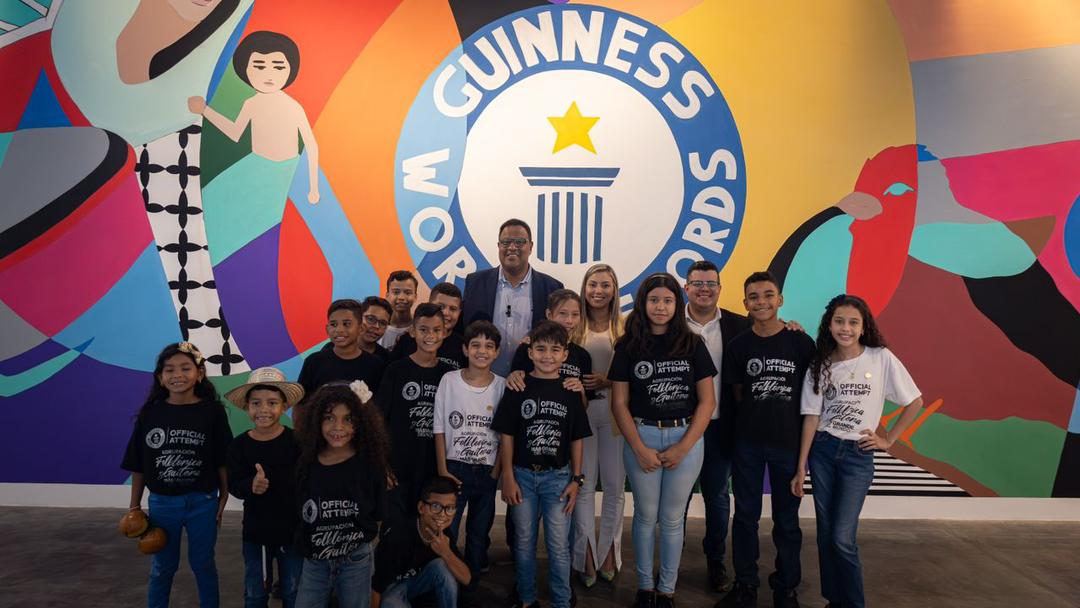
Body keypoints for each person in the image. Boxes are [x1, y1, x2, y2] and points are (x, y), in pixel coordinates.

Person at [791, 294, 923, 608]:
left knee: (842, 537)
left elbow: (914, 401)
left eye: (853, 322)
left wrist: (888, 440)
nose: (845, 328)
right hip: (823, 451)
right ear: (829, 325)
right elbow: (811, 417)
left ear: (864, 327)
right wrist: (800, 467)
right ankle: (834, 600)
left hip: (857, 455)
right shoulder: (820, 364)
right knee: (825, 533)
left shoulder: (880, 358)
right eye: (839, 321)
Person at [609, 273, 716, 608]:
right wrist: (639, 448)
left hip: (686, 437)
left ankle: (667, 589)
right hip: (642, 435)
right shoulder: (627, 345)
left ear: (676, 304)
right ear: (643, 303)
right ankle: (645, 587)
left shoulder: (693, 343)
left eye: (667, 300)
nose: (660, 307)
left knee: (671, 518)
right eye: (654, 300)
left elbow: (707, 402)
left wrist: (684, 447)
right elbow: (619, 403)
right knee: (645, 515)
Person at [718, 272, 816, 608]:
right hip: (747, 444)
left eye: (768, 295)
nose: (762, 302)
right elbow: (737, 394)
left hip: (788, 445)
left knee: (786, 521)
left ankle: (786, 587)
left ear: (780, 300)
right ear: (745, 303)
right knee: (745, 517)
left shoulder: (801, 343)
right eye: (754, 297)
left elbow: (811, 397)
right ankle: (745, 584)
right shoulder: (738, 346)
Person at [121, 342, 232, 608]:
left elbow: (223, 460)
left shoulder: (213, 412)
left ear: (200, 373)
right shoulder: (151, 414)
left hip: (202, 502)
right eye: (169, 369)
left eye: (185, 368)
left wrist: (223, 497)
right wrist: (134, 507)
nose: (177, 375)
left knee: (203, 564)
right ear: (160, 377)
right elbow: (138, 464)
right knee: (162, 567)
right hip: (163, 504)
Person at [492, 321, 591, 608]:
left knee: (558, 545)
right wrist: (508, 476)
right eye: (541, 349)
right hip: (522, 477)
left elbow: (577, 439)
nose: (547, 356)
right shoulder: (518, 386)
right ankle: (527, 598)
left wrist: (577, 479)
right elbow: (507, 434)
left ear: (565, 354)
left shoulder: (570, 390)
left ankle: (561, 600)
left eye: (555, 350)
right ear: (530, 352)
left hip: (558, 479)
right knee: (523, 542)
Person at [682, 260, 751, 592]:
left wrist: (791, 326)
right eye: (697, 283)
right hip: (679, 427)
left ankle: (716, 560)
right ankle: (671, 561)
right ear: (686, 288)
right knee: (676, 499)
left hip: (720, 426)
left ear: (720, 289)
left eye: (711, 283)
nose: (704, 289)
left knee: (718, 497)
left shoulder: (740, 325)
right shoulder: (670, 323)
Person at [294, 382, 390, 608]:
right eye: (329, 418)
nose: (338, 427)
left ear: (361, 422)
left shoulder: (371, 465)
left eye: (348, 419)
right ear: (316, 420)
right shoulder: (306, 463)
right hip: (315, 560)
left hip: (356, 560)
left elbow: (378, 514)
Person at [225, 367, 305, 608]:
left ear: (284, 406)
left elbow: (307, 481)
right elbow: (234, 484)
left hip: (292, 532)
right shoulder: (239, 446)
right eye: (256, 403)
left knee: (293, 591)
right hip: (256, 533)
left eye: (272, 403)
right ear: (247, 407)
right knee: (256, 593)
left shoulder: (297, 442)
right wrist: (251, 485)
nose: (263, 410)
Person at [433, 320, 505, 574]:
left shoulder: (503, 386)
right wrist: (443, 469)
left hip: (486, 471)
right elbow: (439, 428)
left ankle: (472, 580)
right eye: (475, 345)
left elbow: (505, 435)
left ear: (497, 352)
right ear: (465, 349)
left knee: (479, 532)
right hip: (454, 469)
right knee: (448, 530)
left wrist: (496, 472)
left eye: (489, 346)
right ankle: (447, 579)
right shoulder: (449, 380)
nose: (481, 351)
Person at [573, 263, 626, 586]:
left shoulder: (624, 327)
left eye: (606, 285)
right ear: (584, 287)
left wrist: (608, 380)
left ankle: (609, 553)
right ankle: (586, 555)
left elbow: (635, 371)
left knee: (615, 487)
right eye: (593, 284)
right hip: (581, 414)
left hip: (615, 413)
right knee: (583, 485)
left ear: (614, 290)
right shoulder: (572, 325)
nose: (598, 291)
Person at [378, 303, 454, 524]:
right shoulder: (396, 370)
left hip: (433, 469)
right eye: (423, 329)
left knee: (428, 528)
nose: (430, 336)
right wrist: (382, 464)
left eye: (436, 330)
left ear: (445, 332)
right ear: (412, 331)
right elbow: (378, 420)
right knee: (395, 528)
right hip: (398, 467)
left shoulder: (449, 375)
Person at [462, 218, 563, 375]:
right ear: (498, 246)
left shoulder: (552, 288)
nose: (512, 247)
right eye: (506, 242)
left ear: (531, 247)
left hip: (530, 380)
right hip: (483, 377)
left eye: (519, 242)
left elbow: (558, 337)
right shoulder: (475, 283)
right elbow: (465, 329)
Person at [373, 476, 473, 608]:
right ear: (421, 507)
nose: (442, 514)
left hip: (416, 585)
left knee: (442, 566)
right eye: (436, 506)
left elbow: (466, 579)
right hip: (392, 588)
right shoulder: (398, 536)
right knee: (391, 603)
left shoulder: (444, 534)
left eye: (450, 508)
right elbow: (376, 588)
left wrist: (446, 552)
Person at [296, 299, 387, 431]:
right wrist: (302, 434)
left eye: (346, 324)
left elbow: (378, 410)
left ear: (360, 328)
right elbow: (300, 405)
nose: (339, 330)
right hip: (321, 435)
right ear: (327, 329)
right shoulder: (314, 361)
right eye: (333, 324)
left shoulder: (375, 365)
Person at [391, 282, 468, 370]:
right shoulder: (407, 340)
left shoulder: (464, 347)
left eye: (453, 309)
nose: (446, 313)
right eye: (440, 307)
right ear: (429, 304)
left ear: (459, 312)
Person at [379, 271, 420, 349]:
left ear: (415, 296)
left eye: (407, 293)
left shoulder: (420, 327)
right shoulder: (377, 327)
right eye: (396, 292)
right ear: (387, 295)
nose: (401, 297)